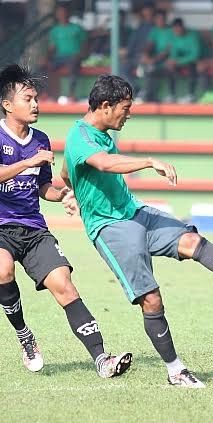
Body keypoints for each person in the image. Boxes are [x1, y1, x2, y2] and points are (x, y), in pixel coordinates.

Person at [61, 75, 213, 388]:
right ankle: (176, 371)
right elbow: (102, 164)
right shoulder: (79, 135)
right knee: (151, 299)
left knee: (192, 241)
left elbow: (65, 171)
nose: (129, 114)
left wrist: (70, 189)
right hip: (110, 228)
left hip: (134, 211)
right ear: (105, 106)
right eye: (125, 108)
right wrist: (148, 161)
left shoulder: (100, 133)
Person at [0, 64, 132, 378]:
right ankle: (24, 335)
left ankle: (102, 360)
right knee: (2, 269)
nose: (35, 104)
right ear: (7, 105)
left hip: (33, 229)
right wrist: (27, 161)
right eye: (28, 98)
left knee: (65, 287)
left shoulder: (41, 139)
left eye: (36, 98)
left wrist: (62, 195)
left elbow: (42, 185)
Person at [47, 4, 88, 104]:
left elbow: (85, 44)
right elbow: (51, 48)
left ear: (68, 14)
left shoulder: (77, 28)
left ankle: (71, 95)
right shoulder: (55, 30)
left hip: (74, 56)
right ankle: (52, 96)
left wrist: (81, 55)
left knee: (73, 65)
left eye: (64, 12)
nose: (62, 15)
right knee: (46, 67)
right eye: (60, 13)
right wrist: (46, 58)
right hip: (59, 57)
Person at [138, 9, 172, 103]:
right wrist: (145, 55)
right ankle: (146, 94)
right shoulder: (154, 30)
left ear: (165, 19)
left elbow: (168, 50)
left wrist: (154, 59)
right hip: (156, 60)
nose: (160, 21)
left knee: (152, 68)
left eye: (162, 19)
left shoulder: (171, 30)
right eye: (158, 19)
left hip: (167, 59)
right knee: (147, 67)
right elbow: (149, 44)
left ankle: (146, 94)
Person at [164, 18, 201, 103]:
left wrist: (179, 61)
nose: (176, 30)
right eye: (174, 28)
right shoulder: (174, 37)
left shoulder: (192, 36)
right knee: (169, 67)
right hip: (181, 61)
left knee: (193, 67)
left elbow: (195, 55)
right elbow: (173, 53)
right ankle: (172, 95)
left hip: (197, 60)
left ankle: (191, 95)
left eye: (178, 28)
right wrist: (172, 61)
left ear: (183, 27)